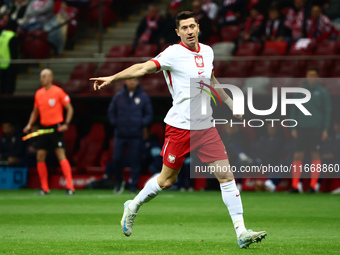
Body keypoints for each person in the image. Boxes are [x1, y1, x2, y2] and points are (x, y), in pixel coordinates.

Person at [90, 11, 266, 249]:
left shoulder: (208, 51)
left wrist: (230, 103)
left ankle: (241, 232)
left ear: (198, 27)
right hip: (180, 127)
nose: (190, 31)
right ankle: (132, 206)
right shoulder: (172, 53)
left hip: (206, 127)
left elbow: (212, 80)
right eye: (184, 28)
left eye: (192, 26)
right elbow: (143, 68)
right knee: (166, 181)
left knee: (226, 176)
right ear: (178, 32)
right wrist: (112, 77)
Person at [23, 69, 75, 195]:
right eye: (41, 76)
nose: (42, 79)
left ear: (51, 78)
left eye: (45, 76)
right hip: (43, 128)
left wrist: (66, 124)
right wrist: (29, 124)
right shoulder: (38, 93)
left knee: (61, 155)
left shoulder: (58, 91)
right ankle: (44, 188)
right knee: (40, 156)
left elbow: (70, 108)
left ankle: (70, 187)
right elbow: (35, 112)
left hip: (56, 128)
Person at [289, 66, 332, 193]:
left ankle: (313, 186)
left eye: (313, 75)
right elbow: (293, 110)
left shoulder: (323, 92)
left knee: (315, 154)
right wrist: (293, 127)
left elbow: (327, 112)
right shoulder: (300, 91)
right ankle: (295, 186)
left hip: (317, 128)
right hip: (301, 127)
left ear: (317, 77)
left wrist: (325, 129)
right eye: (309, 75)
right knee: (298, 155)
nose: (311, 77)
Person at [107, 78, 153, 193]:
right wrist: (116, 123)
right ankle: (119, 182)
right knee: (117, 159)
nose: (132, 82)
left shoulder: (143, 97)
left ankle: (133, 185)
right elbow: (111, 111)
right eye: (129, 80)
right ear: (125, 81)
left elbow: (149, 114)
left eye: (134, 80)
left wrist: (141, 124)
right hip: (120, 134)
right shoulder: (118, 96)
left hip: (136, 135)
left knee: (135, 161)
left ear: (138, 82)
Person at [0, 20, 18, 95]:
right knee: (9, 89)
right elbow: (14, 52)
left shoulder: (2, 35)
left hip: (1, 64)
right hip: (10, 65)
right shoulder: (12, 36)